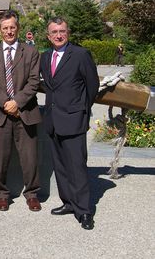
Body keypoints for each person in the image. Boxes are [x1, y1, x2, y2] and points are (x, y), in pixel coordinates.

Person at [40, 17, 99, 230]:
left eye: (62, 31)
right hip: (53, 120)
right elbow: (49, 86)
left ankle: (83, 210)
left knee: (77, 167)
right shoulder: (45, 57)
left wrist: (81, 110)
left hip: (73, 119)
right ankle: (68, 202)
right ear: (48, 36)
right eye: (54, 32)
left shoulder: (81, 55)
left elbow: (92, 86)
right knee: (61, 166)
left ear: (68, 33)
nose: (58, 35)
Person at [0, 10, 42, 212]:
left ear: (18, 28)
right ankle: (1, 194)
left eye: (12, 27)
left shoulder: (31, 52)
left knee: (30, 158)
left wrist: (17, 102)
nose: (9, 31)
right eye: (5, 28)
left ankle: (32, 194)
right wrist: (7, 103)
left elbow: (34, 82)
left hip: (25, 113)